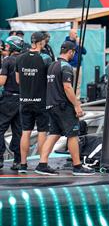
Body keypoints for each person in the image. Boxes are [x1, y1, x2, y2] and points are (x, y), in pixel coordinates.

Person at [33, 41, 93, 176]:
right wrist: (77, 105)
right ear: (71, 52)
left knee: (54, 134)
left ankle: (42, 164)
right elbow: (67, 87)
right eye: (74, 53)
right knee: (73, 134)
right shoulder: (66, 67)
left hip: (51, 105)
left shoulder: (52, 65)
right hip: (63, 106)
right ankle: (77, 166)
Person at [15, 31, 52, 172]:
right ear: (41, 42)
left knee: (25, 132)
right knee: (42, 132)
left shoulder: (19, 58)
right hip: (40, 101)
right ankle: (42, 164)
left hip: (24, 100)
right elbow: (50, 80)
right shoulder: (45, 58)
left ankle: (23, 165)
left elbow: (18, 80)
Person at [0, 35, 24, 170]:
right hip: (22, 99)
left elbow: (2, 81)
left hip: (8, 100)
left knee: (0, 128)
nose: (5, 48)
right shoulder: (24, 60)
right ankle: (18, 160)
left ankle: (0, 158)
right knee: (18, 131)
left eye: (8, 46)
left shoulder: (8, 61)